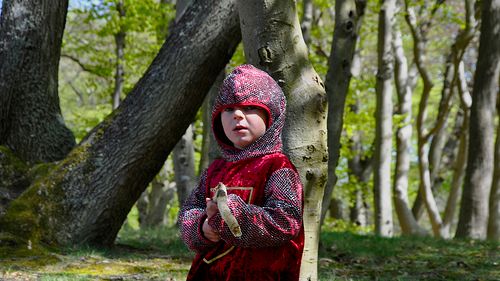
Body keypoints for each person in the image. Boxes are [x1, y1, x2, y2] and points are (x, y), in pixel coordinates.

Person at [178, 64, 304, 280]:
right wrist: (204, 227)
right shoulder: (216, 170)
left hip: (262, 273)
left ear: (270, 115)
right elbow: (189, 212)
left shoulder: (278, 167)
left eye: (249, 108)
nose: (237, 115)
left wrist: (233, 214)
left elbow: (286, 221)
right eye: (228, 109)